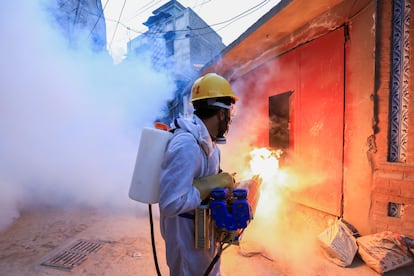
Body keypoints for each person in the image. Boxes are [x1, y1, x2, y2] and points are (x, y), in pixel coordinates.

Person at [159, 72, 238, 276]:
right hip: (186, 243)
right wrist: (209, 184)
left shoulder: (208, 145)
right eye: (230, 114)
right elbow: (170, 203)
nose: (230, 121)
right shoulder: (187, 144)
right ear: (222, 113)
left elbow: (208, 186)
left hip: (204, 238)